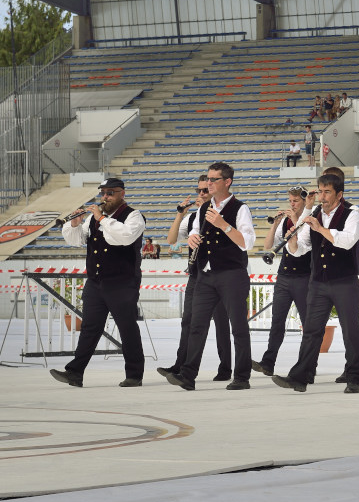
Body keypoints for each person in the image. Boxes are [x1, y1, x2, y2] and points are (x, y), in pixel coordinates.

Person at [160, 163, 254, 392]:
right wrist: (192, 239)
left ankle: (241, 376)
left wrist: (224, 225)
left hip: (232, 274)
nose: (209, 183)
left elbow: (247, 243)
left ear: (227, 182)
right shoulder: (202, 210)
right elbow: (193, 232)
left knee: (238, 327)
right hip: (205, 275)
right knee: (196, 326)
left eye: (214, 179)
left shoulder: (240, 209)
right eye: (208, 179)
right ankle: (188, 375)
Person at [271, 172, 359, 394]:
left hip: (344, 281)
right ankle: (300, 377)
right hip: (318, 282)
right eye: (320, 191)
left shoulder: (352, 214)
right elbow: (301, 249)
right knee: (312, 330)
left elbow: (346, 240)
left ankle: (354, 377)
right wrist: (292, 240)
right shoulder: (314, 214)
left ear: (339, 194)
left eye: (327, 192)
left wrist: (320, 228)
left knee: (350, 330)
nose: (322, 196)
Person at [49, 178, 146, 388]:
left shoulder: (133, 216)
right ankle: (75, 372)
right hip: (95, 282)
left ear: (122, 194)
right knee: (90, 327)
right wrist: (74, 224)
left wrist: (101, 217)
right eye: (103, 192)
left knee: (127, 327)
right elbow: (77, 240)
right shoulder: (93, 219)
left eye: (111, 192)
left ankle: (134, 374)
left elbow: (124, 237)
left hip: (123, 282)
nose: (106, 196)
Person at [159, 176, 231, 383]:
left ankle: (226, 368)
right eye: (199, 191)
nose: (201, 194)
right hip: (196, 275)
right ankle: (180, 365)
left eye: (205, 191)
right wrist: (179, 215)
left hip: (218, 275)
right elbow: (171, 240)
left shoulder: (222, 214)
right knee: (188, 322)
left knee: (221, 324)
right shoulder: (192, 218)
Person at [252, 187, 311, 378]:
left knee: (307, 324)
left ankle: (307, 365)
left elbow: (304, 245)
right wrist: (275, 224)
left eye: (295, 200)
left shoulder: (310, 221)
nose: (292, 204)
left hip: (304, 277)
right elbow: (268, 245)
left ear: (303, 201)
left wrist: (295, 220)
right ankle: (268, 362)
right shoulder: (285, 221)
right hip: (284, 277)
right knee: (277, 321)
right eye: (290, 200)